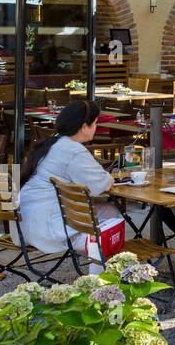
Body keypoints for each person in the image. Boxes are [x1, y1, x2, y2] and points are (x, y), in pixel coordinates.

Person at [16, 100, 121, 256]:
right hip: (48, 228)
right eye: (95, 123)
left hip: (26, 223)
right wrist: (109, 177)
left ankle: (96, 266)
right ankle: (97, 275)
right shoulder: (73, 151)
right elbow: (102, 185)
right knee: (111, 223)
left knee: (108, 211)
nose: (96, 128)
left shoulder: (53, 143)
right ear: (85, 127)